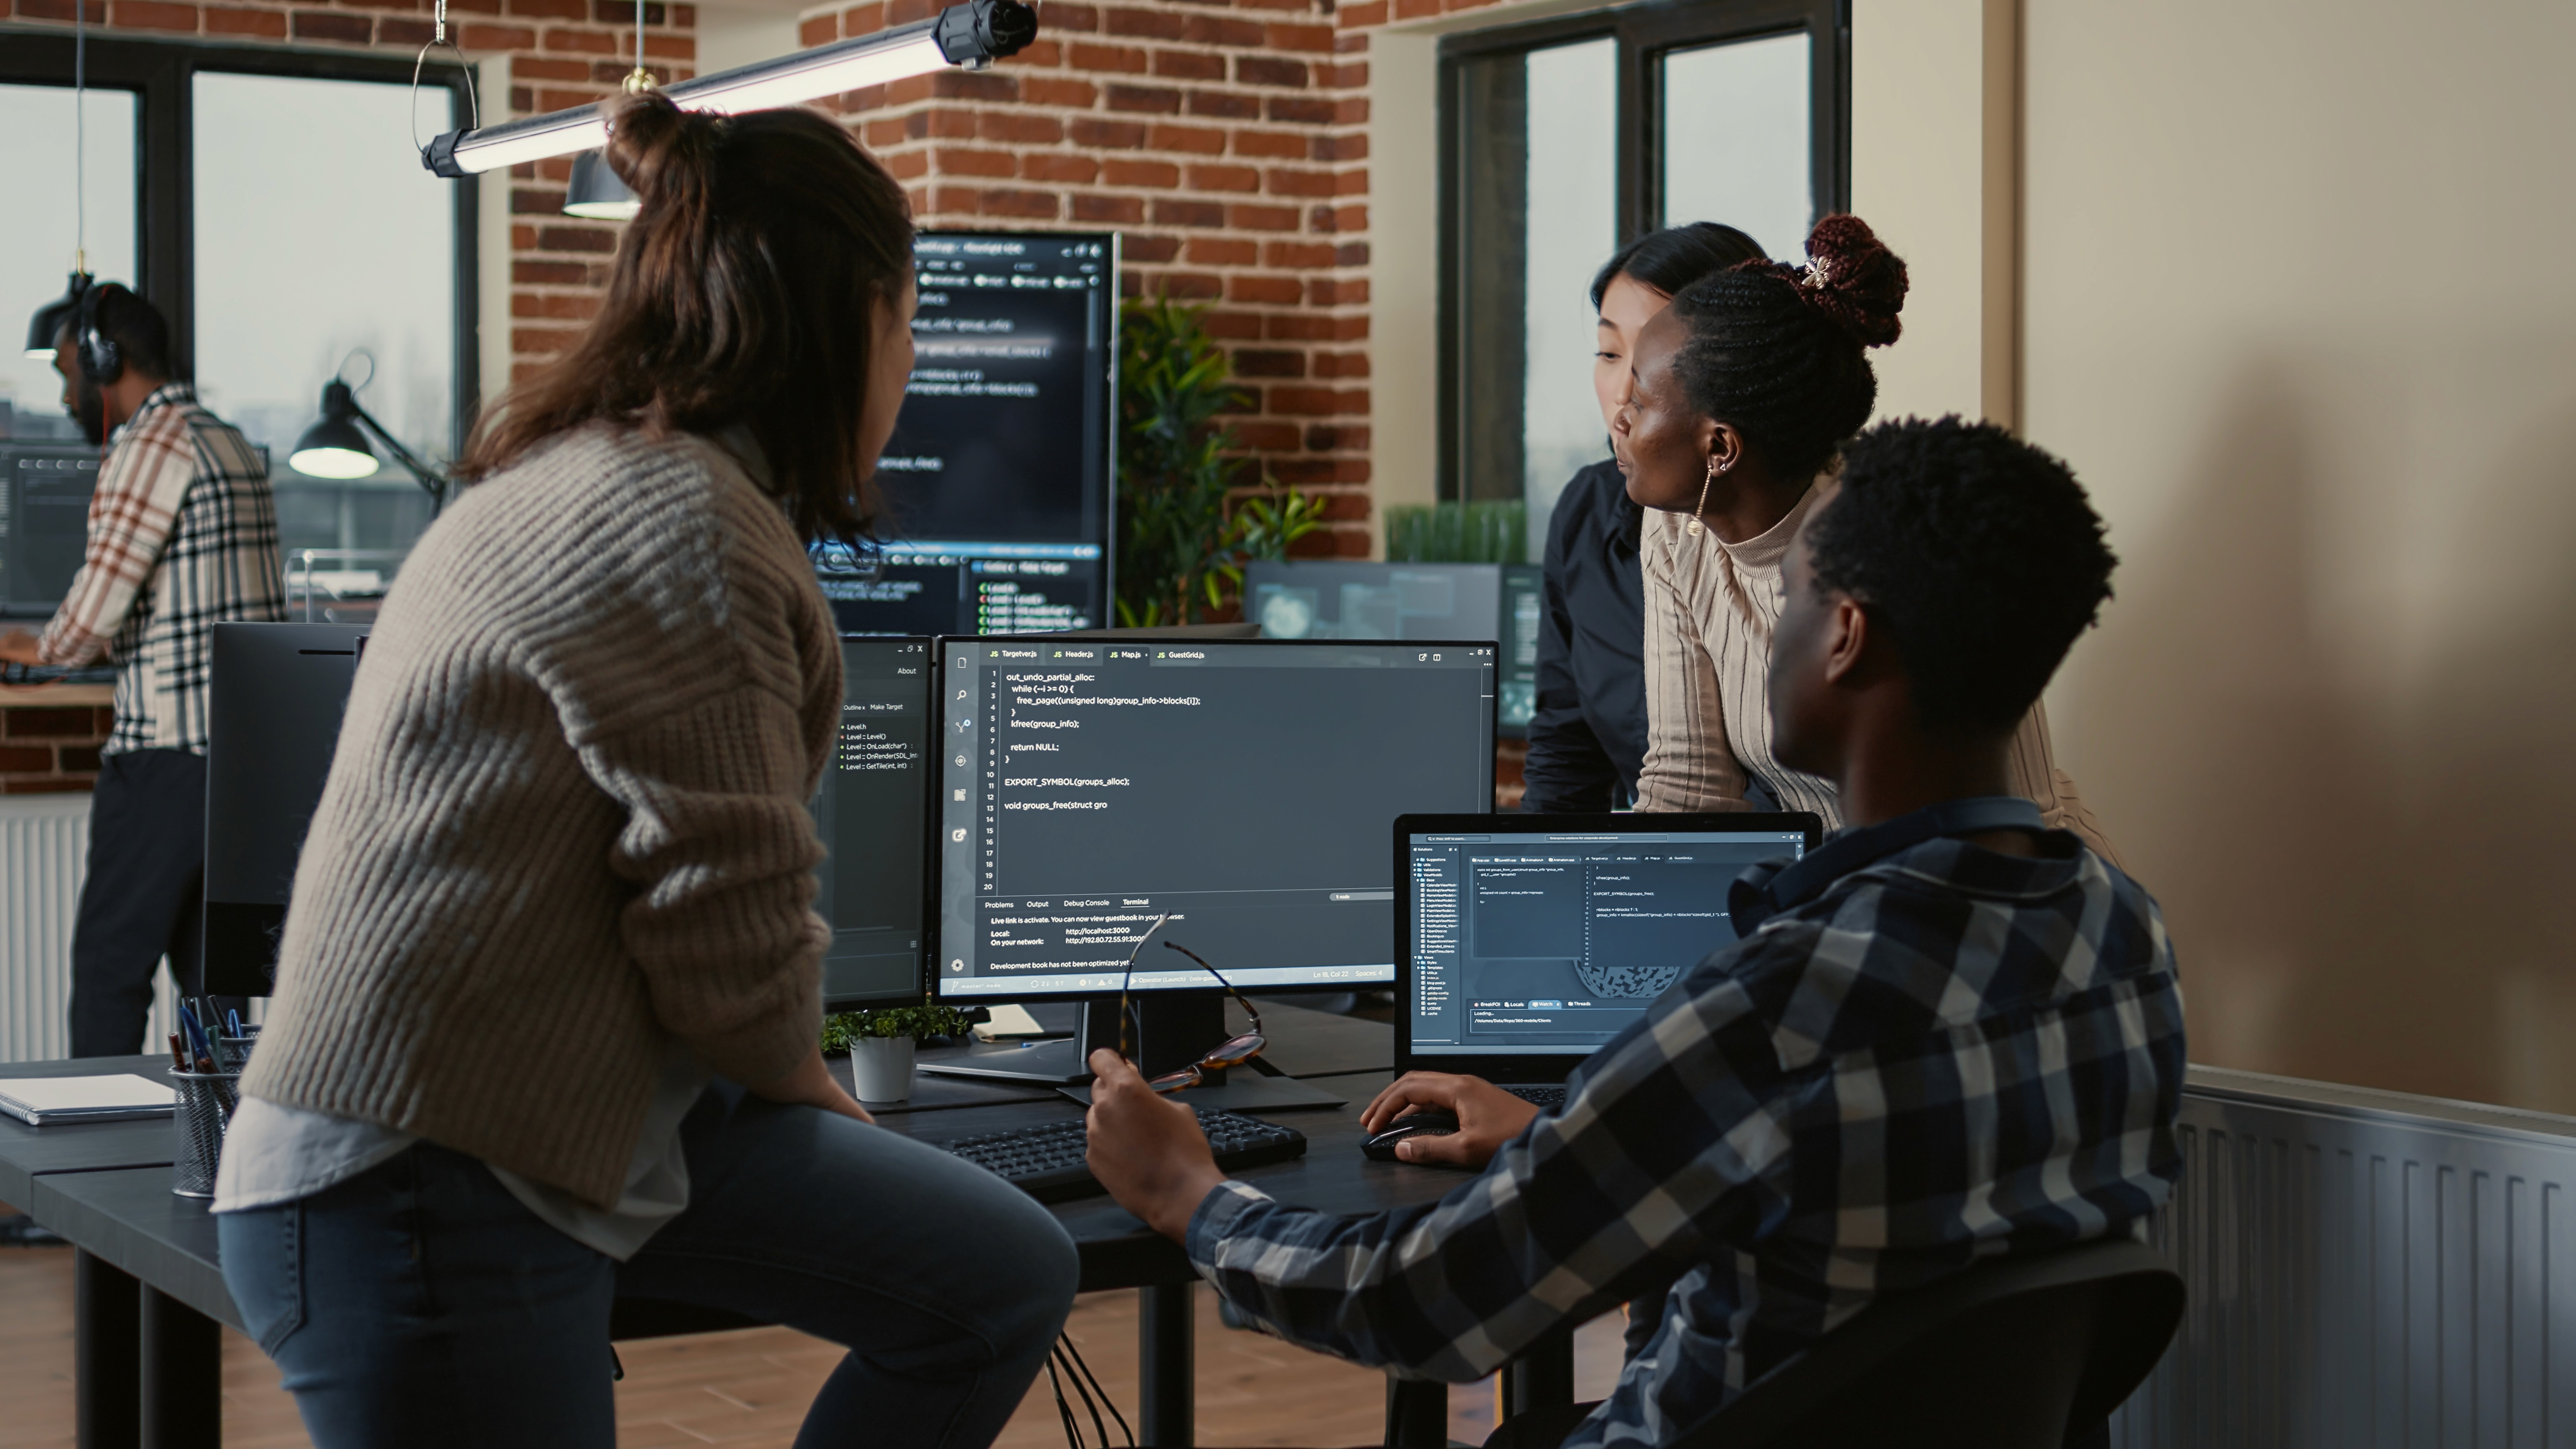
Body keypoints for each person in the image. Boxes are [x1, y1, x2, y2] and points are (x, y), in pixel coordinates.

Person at [211, 94, 1078, 1449]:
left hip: (577, 1118)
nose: (908, 370)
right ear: (842, 315)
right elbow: (730, 947)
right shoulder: (678, 522)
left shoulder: (625, 481)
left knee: (1001, 1269)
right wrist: (846, 1110)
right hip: (420, 1170)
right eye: (907, 322)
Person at [1084, 416, 2186, 1449]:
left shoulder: (1785, 1002)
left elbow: (1422, 1303)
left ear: (1845, 635)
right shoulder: (2123, 935)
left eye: (1791, 598)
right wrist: (1559, 1138)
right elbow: (1868, 1191)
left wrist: (1192, 1198)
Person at [1623, 216, 2115, 853]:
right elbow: (1688, 791)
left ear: (1719, 447)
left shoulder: (1899, 540)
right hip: (1847, 890)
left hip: (1999, 892)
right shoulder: (1673, 533)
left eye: (1638, 392)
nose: (1619, 414)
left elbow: (2012, 814)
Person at [0, 283, 285, 1056]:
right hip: (240, 767)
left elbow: (85, 628)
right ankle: (217, 1159)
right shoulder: (231, 442)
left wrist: (24, 646)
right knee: (215, 985)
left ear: (105, 360)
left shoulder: (150, 445)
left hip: (165, 759)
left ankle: (91, 1167)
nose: (65, 394)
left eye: (68, 373)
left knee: (107, 973)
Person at [1523, 223, 1766, 814]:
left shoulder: (1800, 535)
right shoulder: (1589, 510)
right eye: (1609, 354)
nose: (1624, 391)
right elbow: (1567, 745)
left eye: (1655, 358)